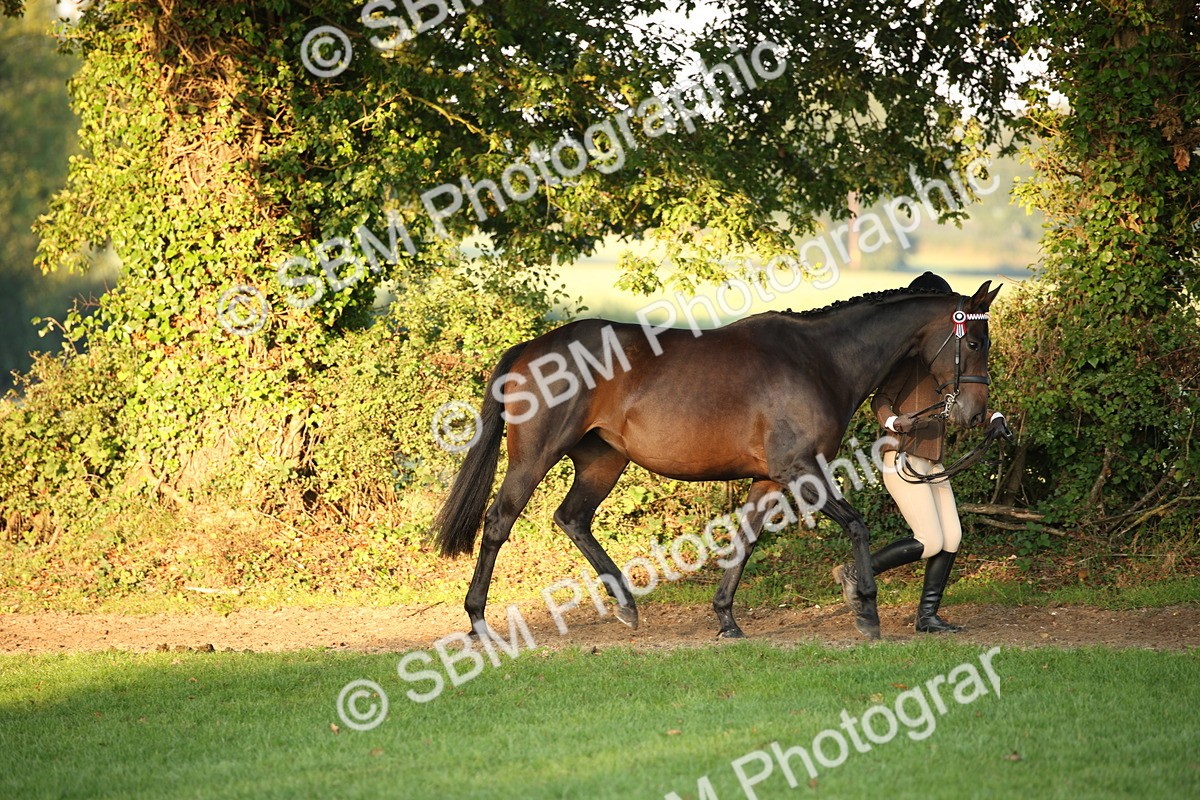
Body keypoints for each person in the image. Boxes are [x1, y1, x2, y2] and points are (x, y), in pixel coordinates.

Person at [833, 272, 1011, 633]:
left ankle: (927, 616)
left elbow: (961, 410)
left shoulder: (948, 368)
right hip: (902, 458)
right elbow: (880, 400)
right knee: (930, 540)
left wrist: (994, 418)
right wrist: (894, 422)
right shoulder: (908, 363)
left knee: (951, 538)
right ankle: (855, 572)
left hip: (933, 463)